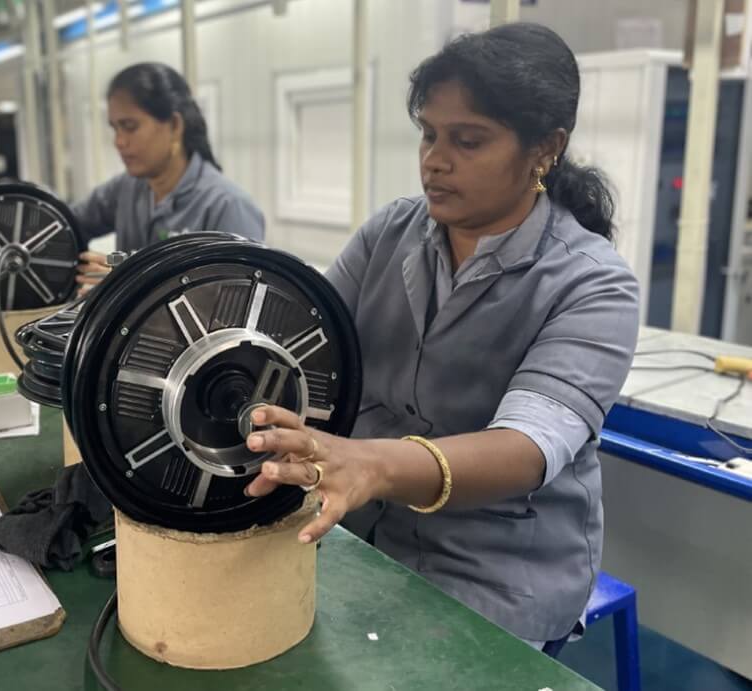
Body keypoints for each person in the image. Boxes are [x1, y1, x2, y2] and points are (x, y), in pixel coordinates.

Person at [243, 23, 639, 653]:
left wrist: (368, 462)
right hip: (368, 531)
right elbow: (297, 339)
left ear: (545, 148)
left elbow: (524, 449)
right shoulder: (389, 235)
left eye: (468, 140)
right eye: (429, 133)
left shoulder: (592, 285)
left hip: (498, 566)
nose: (434, 158)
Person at [73, 62, 264, 292]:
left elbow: (237, 305)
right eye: (115, 128)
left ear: (174, 125)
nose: (119, 142)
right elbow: (67, 226)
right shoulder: (126, 189)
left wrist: (127, 284)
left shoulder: (228, 208)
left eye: (130, 126)